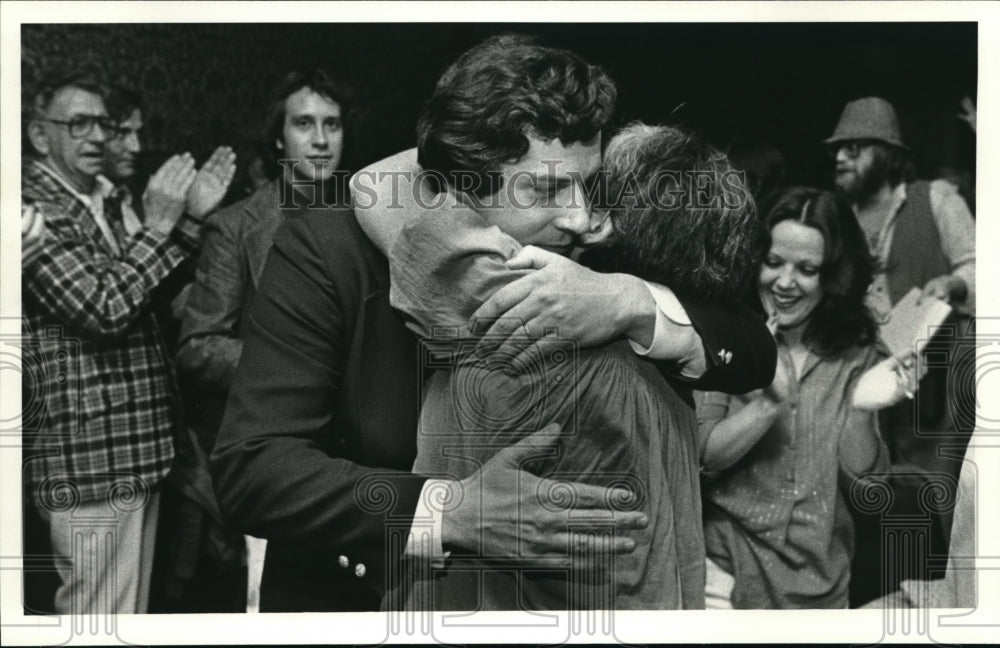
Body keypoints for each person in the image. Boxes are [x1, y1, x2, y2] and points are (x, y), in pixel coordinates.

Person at [212, 36, 775, 613]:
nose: (583, 216)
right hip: (361, 599)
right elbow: (253, 467)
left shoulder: (586, 247)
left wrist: (631, 300)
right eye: (547, 188)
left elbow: (750, 346)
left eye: (589, 182)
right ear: (459, 187)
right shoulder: (330, 248)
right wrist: (450, 510)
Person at [21, 69, 235, 614]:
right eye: (78, 123)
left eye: (103, 124)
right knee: (96, 618)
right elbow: (104, 307)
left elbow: (144, 295)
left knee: (126, 615)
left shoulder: (105, 196)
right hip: (86, 453)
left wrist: (188, 222)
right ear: (40, 135)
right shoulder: (26, 207)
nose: (97, 137)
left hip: (137, 443)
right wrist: (161, 226)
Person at [178, 67, 355, 612]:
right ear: (279, 137)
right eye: (304, 124)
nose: (322, 139)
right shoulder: (236, 226)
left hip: (356, 453)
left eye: (333, 123)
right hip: (273, 448)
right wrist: (294, 371)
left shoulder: (369, 215)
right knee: (267, 602)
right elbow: (198, 344)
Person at [697, 187, 919, 609]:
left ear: (833, 276)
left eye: (807, 269)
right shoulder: (722, 334)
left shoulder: (860, 352)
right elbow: (703, 460)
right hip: (721, 571)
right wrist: (768, 404)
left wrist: (859, 411)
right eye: (773, 262)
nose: (784, 282)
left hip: (820, 584)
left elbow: (871, 492)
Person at [825, 97, 976, 487]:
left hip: (937, 384)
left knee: (938, 489)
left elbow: (980, 267)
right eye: (838, 149)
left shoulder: (937, 197)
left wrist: (954, 283)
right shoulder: (838, 218)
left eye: (854, 148)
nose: (841, 156)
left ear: (888, 154)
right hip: (867, 378)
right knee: (870, 485)